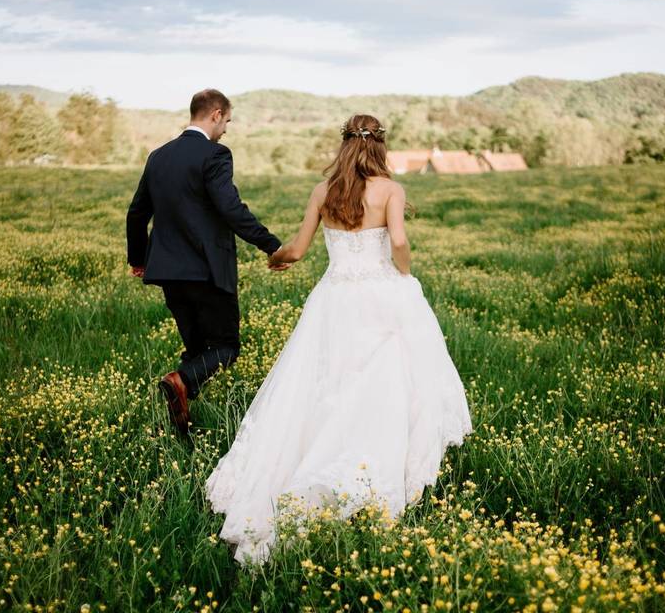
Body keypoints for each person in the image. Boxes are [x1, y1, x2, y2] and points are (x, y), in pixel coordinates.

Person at [203, 113, 474, 565]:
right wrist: (403, 275)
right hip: (382, 295)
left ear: (344, 146)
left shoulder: (322, 192)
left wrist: (278, 257)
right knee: (388, 383)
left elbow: (298, 248)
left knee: (323, 387)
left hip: (335, 300)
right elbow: (400, 242)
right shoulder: (391, 190)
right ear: (380, 147)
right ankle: (371, 466)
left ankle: (307, 466)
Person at [125, 88, 287, 435]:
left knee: (197, 350)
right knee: (226, 348)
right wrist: (271, 246)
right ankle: (178, 382)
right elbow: (230, 209)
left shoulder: (158, 156)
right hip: (207, 270)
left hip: (167, 271)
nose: (226, 129)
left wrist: (139, 259)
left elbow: (137, 213)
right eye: (226, 121)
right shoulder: (215, 155)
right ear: (215, 114)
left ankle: (180, 422)